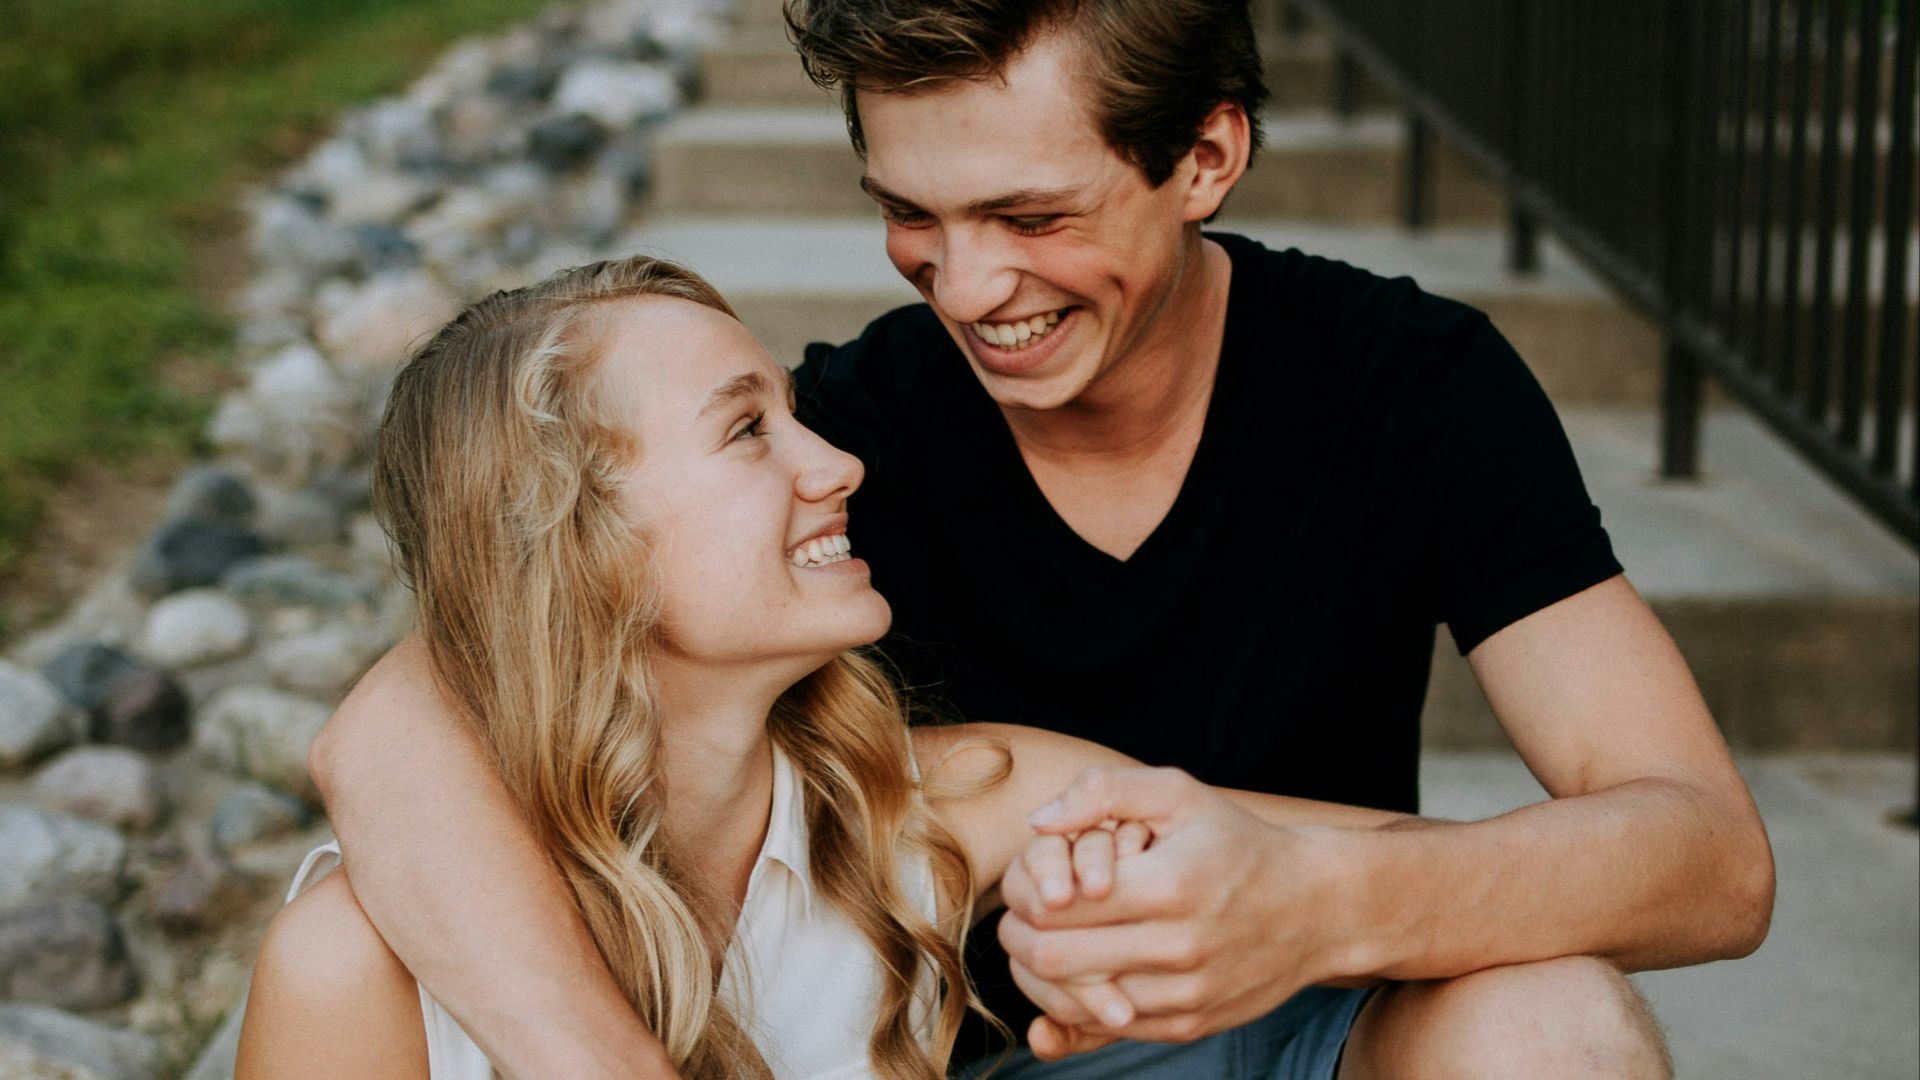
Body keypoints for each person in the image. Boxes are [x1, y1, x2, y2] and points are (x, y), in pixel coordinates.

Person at [307, 1, 1777, 1077]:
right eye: (912, 215)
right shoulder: (850, 437)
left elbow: (1708, 857)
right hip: (982, 1066)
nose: (965, 283)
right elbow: (419, 712)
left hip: (1325, 1026)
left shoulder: (1406, 387)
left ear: (1205, 156)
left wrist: (1311, 909)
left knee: (1551, 1026)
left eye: (1028, 212)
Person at [235, 257, 1409, 1080]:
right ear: (579, 542)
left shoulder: (932, 815)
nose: (839, 463)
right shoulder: (354, 970)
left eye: (795, 413)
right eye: (749, 430)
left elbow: (1400, 875)